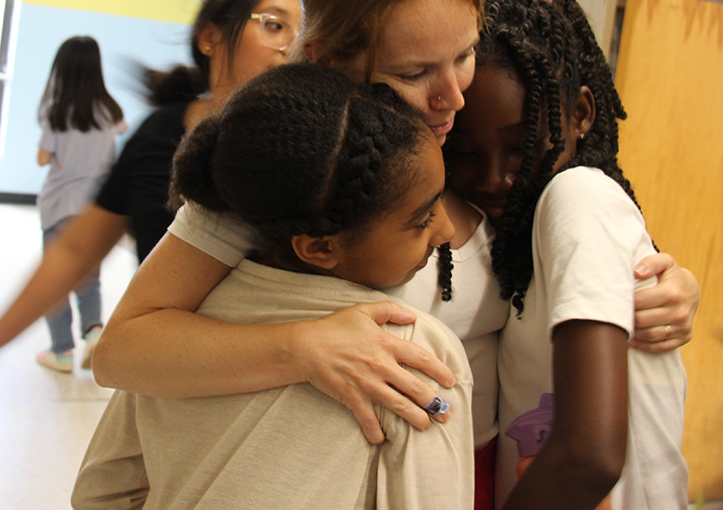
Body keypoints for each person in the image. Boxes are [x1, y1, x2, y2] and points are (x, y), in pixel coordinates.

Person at [91, 0, 698, 506]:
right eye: (413, 71)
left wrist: (661, 280)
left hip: (474, 474)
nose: (453, 97)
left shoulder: (471, 145)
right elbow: (124, 350)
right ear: (330, 57)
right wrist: (303, 347)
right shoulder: (296, 167)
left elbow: (573, 242)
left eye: (463, 54)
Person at [72, 63, 475, 510]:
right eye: (421, 219)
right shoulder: (412, 354)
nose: (447, 229)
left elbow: (101, 492)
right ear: (319, 248)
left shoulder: (172, 339)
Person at [0, 0, 301, 416]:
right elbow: (77, 250)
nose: (290, 47)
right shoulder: (159, 136)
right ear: (210, 36)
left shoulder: (301, 151)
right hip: (170, 386)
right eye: (274, 25)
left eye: (302, 32)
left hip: (269, 394)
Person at [445, 0, 687, 509]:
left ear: (580, 115)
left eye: (521, 145)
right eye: (463, 152)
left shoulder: (576, 196)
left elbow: (590, 455)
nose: (492, 178)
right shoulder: (515, 233)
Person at [34, 35, 127, 372]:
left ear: (62, 69)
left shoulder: (57, 110)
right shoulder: (108, 109)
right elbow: (122, 128)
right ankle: (93, 332)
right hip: (95, 208)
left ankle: (61, 350)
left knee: (56, 280)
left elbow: (43, 158)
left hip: (60, 206)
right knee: (89, 277)